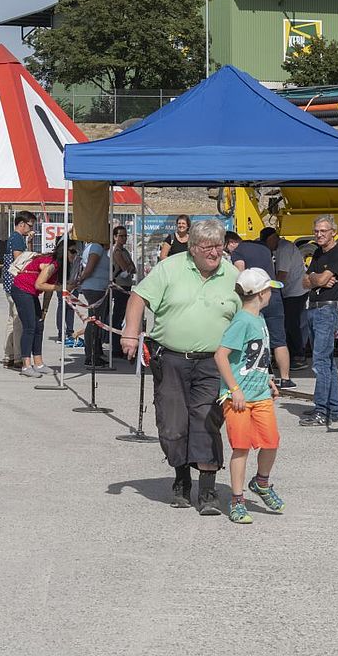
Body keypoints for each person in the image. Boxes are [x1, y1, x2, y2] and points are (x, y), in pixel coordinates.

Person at [121, 218, 241, 514]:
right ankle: (182, 480)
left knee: (207, 419)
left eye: (219, 246)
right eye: (208, 247)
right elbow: (138, 297)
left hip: (214, 362)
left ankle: (209, 490)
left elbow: (250, 312)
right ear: (192, 247)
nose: (215, 253)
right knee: (173, 422)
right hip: (171, 358)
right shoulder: (170, 268)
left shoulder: (233, 274)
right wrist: (130, 334)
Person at [213, 268, 287, 525]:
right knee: (241, 448)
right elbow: (220, 356)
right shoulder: (242, 321)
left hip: (261, 394)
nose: (271, 295)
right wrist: (234, 390)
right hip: (238, 399)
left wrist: (268, 379)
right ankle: (237, 499)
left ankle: (262, 482)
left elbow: (257, 358)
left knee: (271, 443)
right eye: (269, 290)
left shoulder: (260, 319)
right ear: (261, 293)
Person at [300, 215, 338, 427]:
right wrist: (315, 279)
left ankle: (322, 410)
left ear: (333, 232)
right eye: (316, 231)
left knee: (320, 361)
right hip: (313, 308)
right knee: (327, 362)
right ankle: (333, 407)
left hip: (327, 310)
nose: (319, 234)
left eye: (323, 231)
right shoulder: (318, 253)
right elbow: (305, 281)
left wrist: (315, 279)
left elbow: (317, 279)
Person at [232, 234, 292, 389]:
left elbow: (240, 273)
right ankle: (285, 378)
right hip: (272, 293)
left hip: (255, 298)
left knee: (254, 338)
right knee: (279, 340)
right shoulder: (264, 249)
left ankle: (256, 375)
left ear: (231, 242)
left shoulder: (237, 251)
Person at [11, 241, 63, 378]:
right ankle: (26, 365)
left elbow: (49, 290)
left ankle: (39, 363)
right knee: (29, 327)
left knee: (39, 325)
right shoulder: (52, 264)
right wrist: (61, 288)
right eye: (73, 251)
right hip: (21, 289)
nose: (75, 255)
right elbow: (40, 284)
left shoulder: (59, 266)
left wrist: (44, 311)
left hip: (31, 293)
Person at [263, 227, 309, 371]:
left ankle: (298, 355)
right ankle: (295, 353)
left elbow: (282, 274)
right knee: (293, 322)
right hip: (291, 290)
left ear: (272, 238)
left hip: (295, 291)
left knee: (291, 323)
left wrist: (271, 290)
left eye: (267, 243)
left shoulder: (284, 249)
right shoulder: (282, 248)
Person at [2, 212, 36, 369]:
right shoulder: (16, 238)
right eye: (30, 225)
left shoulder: (16, 238)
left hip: (9, 285)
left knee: (12, 320)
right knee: (18, 321)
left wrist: (29, 242)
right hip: (16, 285)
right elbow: (19, 259)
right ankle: (17, 357)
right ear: (22, 224)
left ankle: (8, 354)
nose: (31, 229)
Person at [71, 237, 110, 368]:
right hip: (95, 288)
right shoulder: (96, 247)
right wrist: (80, 280)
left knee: (97, 321)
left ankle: (96, 353)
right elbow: (89, 268)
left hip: (98, 288)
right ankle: (91, 355)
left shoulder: (96, 247)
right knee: (94, 322)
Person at [109, 224, 136, 357]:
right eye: (121, 236)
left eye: (126, 236)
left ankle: (117, 345)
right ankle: (115, 347)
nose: (124, 238)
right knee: (118, 316)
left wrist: (129, 268)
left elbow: (133, 268)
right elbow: (126, 268)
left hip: (126, 285)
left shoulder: (124, 251)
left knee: (122, 316)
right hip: (119, 286)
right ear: (115, 237)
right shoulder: (117, 252)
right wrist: (129, 268)